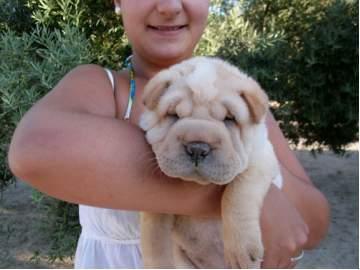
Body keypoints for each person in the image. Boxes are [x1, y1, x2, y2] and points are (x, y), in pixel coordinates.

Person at [7, 0, 330, 268]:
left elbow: (312, 224)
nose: (169, 6)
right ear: (118, 1)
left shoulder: (241, 100)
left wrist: (256, 179)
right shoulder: (101, 87)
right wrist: (239, 200)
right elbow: (37, 150)